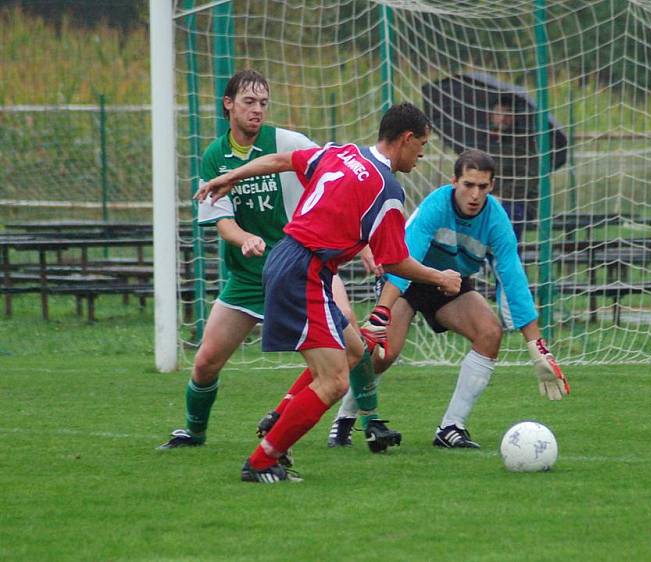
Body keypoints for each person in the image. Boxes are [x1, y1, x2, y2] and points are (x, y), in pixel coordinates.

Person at [194, 102, 463, 484]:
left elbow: (280, 160)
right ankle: (262, 461)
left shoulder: (342, 152)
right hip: (303, 270)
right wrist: (441, 278)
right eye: (421, 145)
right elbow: (396, 261)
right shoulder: (387, 189)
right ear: (405, 139)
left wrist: (233, 175)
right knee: (334, 381)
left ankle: (280, 419)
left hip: (294, 262)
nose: (422, 155)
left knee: (355, 351)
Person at [158, 69, 362, 450]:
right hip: (248, 279)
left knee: (350, 336)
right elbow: (223, 223)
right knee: (205, 363)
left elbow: (335, 174)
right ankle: (194, 432)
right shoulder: (214, 157)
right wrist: (246, 238)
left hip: (297, 268)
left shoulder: (284, 142)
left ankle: (359, 421)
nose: (257, 110)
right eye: (249, 102)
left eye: (263, 103)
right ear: (229, 104)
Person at [328, 149, 569, 450]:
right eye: (468, 184)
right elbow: (406, 260)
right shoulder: (436, 206)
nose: (474, 194)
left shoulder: (496, 219)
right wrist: (381, 313)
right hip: (406, 277)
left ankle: (451, 427)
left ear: (492, 187)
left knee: (489, 332)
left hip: (450, 283)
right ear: (454, 181)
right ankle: (346, 417)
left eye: (482, 187)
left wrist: (536, 346)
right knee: (384, 353)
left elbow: (513, 278)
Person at [486, 99, 539, 242]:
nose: (502, 118)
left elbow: (529, 179)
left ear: (515, 116)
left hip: (519, 203)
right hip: (489, 200)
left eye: (507, 113)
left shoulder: (526, 142)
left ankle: (509, 259)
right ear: (492, 115)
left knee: (508, 215)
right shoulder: (485, 141)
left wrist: (502, 197)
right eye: (498, 113)